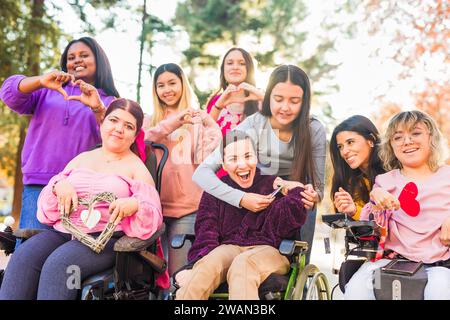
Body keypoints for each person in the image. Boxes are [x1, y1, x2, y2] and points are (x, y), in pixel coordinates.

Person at [0, 98, 164, 300]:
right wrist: (59, 186)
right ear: (103, 123)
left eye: (128, 126)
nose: (119, 128)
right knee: (24, 257)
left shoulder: (136, 167)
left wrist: (135, 204)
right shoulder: (81, 158)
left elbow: (153, 213)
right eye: (114, 120)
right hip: (64, 231)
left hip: (105, 239)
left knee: (60, 265)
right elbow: (46, 209)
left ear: (134, 135)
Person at [193, 64, 326, 264]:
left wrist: (313, 195)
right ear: (268, 97)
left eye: (294, 101)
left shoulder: (314, 128)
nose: (285, 107)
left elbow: (319, 187)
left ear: (304, 101)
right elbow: (201, 173)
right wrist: (241, 198)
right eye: (278, 99)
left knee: (297, 263)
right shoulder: (254, 124)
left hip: (297, 200)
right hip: (260, 197)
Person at [0, 37, 119, 232]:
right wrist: (40, 81)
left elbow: (115, 141)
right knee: (31, 250)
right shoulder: (46, 91)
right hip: (39, 184)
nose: (77, 60)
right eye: (71, 57)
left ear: (99, 60)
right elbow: (8, 92)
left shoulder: (109, 101)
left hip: (81, 189)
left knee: (68, 256)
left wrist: (98, 108)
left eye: (84, 55)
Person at [175, 131, 308, 300]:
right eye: (233, 159)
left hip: (270, 251)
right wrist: (195, 267)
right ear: (223, 164)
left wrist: (293, 188)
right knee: (209, 263)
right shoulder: (216, 191)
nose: (242, 165)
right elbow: (205, 233)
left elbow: (293, 218)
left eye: (247, 156)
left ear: (256, 157)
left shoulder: (273, 185)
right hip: (229, 247)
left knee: (243, 263)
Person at [344, 110, 450, 300]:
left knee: (440, 291)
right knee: (357, 289)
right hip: (392, 261)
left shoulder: (447, 176)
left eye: (415, 133)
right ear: (391, 146)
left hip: (438, 263)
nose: (407, 141)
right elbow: (372, 226)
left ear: (431, 138)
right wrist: (375, 199)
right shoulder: (385, 181)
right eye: (398, 137)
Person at [144, 63, 221, 276]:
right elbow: (143, 141)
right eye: (161, 85)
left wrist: (209, 124)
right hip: (154, 209)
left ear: (182, 85)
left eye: (172, 83)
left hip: (188, 209)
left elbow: (207, 156)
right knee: (154, 277)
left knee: (178, 276)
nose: (167, 89)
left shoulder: (196, 121)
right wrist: (174, 122)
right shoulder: (150, 121)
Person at [330, 115, 385, 220]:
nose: (344, 152)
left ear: (371, 140)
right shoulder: (351, 182)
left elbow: (392, 220)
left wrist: (355, 211)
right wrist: (351, 210)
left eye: (350, 142)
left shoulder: (394, 171)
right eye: (340, 147)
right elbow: (369, 224)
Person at [206, 47, 264, 136]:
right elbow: (205, 134)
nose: (235, 67)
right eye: (230, 63)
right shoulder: (215, 101)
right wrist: (218, 106)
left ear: (249, 69)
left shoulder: (261, 98)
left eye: (242, 63)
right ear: (223, 70)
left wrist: (263, 98)